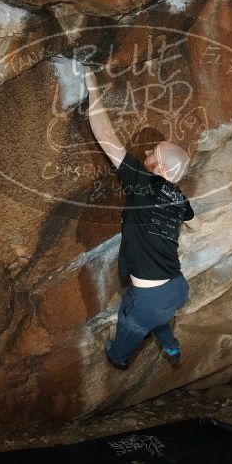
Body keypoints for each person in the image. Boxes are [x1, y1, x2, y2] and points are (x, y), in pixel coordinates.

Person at [82, 65, 202, 371]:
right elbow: (195, 223)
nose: (147, 150)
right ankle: (171, 346)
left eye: (154, 152)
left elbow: (105, 134)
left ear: (160, 169)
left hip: (151, 298)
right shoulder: (178, 197)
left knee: (129, 330)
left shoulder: (142, 182)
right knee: (158, 314)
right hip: (176, 288)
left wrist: (92, 86)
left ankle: (119, 359)